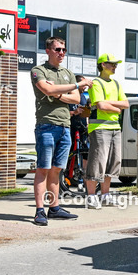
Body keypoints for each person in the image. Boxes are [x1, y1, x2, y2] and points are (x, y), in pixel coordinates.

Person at [29, 37, 91, 226]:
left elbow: (76, 100)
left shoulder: (67, 73)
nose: (61, 53)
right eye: (57, 49)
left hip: (65, 126)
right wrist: (76, 86)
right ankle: (40, 211)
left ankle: (54, 208)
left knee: (57, 169)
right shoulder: (38, 70)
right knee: (43, 169)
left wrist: (58, 93)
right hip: (46, 125)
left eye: (64, 49)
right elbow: (46, 89)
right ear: (48, 51)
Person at [85, 55, 130, 209]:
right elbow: (101, 106)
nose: (115, 66)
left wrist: (109, 103)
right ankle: (91, 196)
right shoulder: (95, 83)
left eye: (116, 64)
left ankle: (105, 195)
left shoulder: (116, 84)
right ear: (103, 65)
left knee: (113, 163)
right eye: (112, 64)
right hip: (99, 128)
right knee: (97, 161)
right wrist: (116, 108)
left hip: (115, 127)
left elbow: (126, 104)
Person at [66, 75, 91, 191]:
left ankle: (83, 179)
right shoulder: (70, 95)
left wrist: (87, 123)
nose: (85, 87)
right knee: (70, 153)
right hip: (71, 127)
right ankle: (66, 176)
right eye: (83, 84)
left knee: (85, 152)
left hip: (82, 129)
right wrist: (74, 112)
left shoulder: (83, 97)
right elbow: (65, 113)